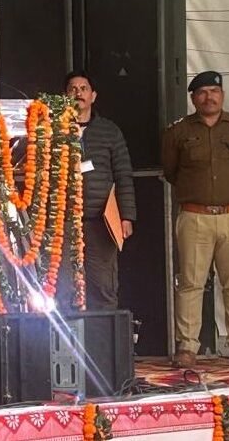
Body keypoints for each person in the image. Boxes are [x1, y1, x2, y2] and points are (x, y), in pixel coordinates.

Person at [162, 71, 229, 368]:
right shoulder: (178, 131)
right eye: (203, 92)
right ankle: (187, 347)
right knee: (191, 284)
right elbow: (171, 171)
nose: (209, 97)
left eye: (214, 91)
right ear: (193, 98)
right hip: (195, 217)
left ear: (222, 95)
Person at [64, 70, 136, 310]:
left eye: (83, 89)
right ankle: (68, 335)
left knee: (103, 286)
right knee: (64, 288)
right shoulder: (53, 130)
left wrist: (126, 216)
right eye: (73, 89)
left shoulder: (109, 131)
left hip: (101, 222)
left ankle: (103, 335)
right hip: (64, 222)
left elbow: (123, 174)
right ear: (65, 96)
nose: (78, 93)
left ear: (93, 96)